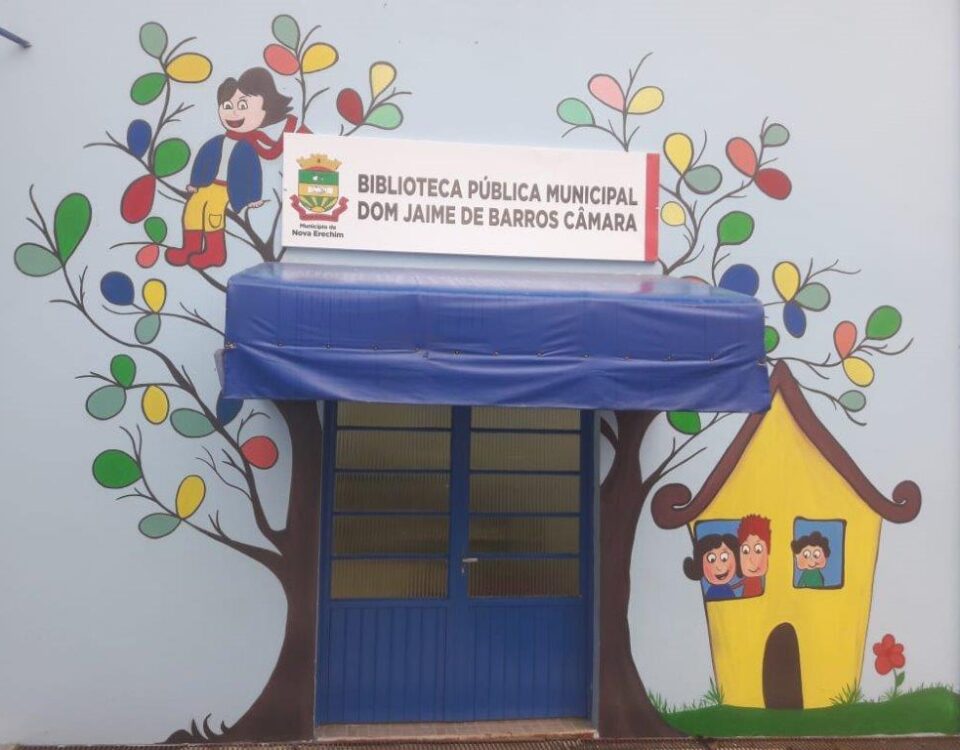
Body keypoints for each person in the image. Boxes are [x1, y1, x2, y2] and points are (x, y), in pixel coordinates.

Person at [165, 67, 299, 270]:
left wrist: (253, 197)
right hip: (208, 184)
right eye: (227, 106)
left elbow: (257, 168)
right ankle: (190, 248)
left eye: (243, 105)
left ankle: (215, 253)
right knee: (193, 208)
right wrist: (195, 183)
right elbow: (202, 161)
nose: (234, 112)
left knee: (212, 211)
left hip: (227, 189)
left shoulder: (249, 145)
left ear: (264, 112)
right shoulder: (216, 142)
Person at [684, 533, 740, 601]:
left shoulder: (727, 588)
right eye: (711, 559)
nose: (719, 567)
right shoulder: (714, 592)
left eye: (724, 558)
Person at [736, 514, 771, 598]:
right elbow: (741, 583)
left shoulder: (763, 581)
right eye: (745, 551)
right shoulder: (747, 579)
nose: (752, 559)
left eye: (758, 550)